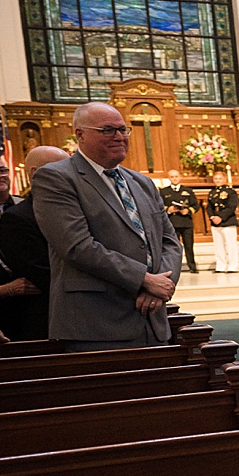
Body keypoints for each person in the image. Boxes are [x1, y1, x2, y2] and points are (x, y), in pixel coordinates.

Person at [32, 102, 183, 349]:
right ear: (79, 134)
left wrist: (160, 286)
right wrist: (144, 279)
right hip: (97, 323)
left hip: (152, 321)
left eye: (123, 130)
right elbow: (77, 247)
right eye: (107, 130)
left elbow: (169, 240)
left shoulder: (141, 182)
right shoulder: (57, 178)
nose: (119, 137)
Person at [0, 144, 65, 340]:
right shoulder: (17, 217)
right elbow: (38, 272)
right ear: (37, 173)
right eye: (63, 168)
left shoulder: (79, 208)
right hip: (48, 316)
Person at [158, 170, 198, 273]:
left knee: (189, 246)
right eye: (172, 177)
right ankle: (173, 268)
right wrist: (168, 210)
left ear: (180, 177)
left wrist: (188, 211)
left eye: (176, 176)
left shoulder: (187, 190)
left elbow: (195, 206)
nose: (174, 178)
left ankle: (192, 267)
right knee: (173, 248)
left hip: (186, 222)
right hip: (172, 223)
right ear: (169, 178)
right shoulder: (164, 192)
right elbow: (159, 206)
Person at [204, 169, 239, 273]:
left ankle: (233, 266)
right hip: (215, 223)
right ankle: (221, 266)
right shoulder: (212, 192)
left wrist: (220, 217)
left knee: (231, 245)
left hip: (227, 221)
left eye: (220, 178)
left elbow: (231, 206)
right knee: (218, 246)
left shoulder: (231, 192)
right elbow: (209, 207)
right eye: (216, 179)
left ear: (225, 179)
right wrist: (212, 217)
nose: (218, 180)